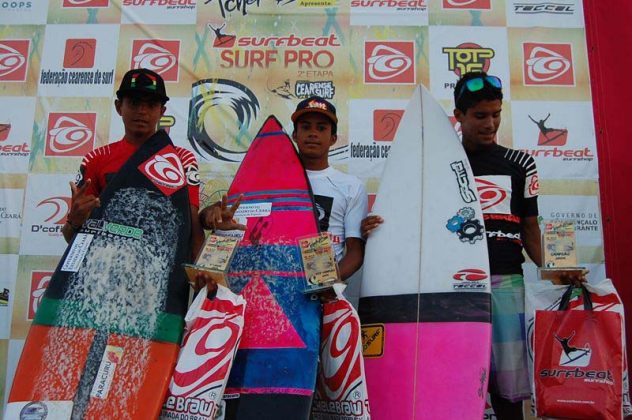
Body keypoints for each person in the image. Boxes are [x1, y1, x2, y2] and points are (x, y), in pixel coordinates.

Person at [62, 68, 204, 258]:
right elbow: (71, 237)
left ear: (162, 111)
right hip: (109, 272)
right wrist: (74, 222)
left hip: (161, 272)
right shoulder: (96, 159)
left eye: (151, 104)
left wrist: (198, 278)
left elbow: (192, 227)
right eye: (134, 103)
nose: (142, 111)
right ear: (119, 107)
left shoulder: (181, 159)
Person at [291, 96, 368, 282]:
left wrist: (324, 283)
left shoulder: (351, 186)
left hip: (324, 295)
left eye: (321, 128)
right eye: (306, 127)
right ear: (294, 135)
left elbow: (355, 253)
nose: (313, 133)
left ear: (333, 138)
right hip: (278, 286)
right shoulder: (273, 182)